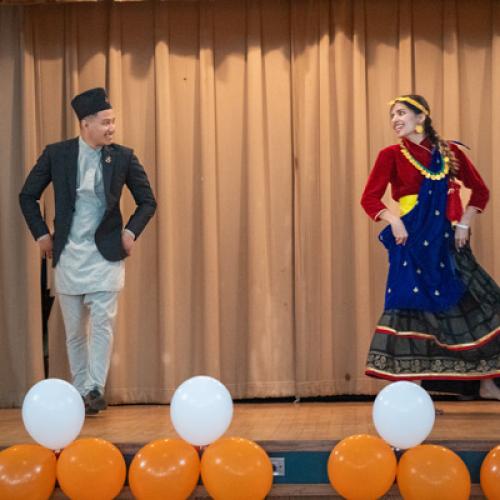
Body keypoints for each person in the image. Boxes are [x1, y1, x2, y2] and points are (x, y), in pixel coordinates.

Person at [20, 88, 157, 414]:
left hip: (106, 255)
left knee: (102, 324)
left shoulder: (122, 156)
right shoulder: (57, 154)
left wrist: (130, 231)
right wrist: (41, 234)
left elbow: (147, 201)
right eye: (105, 122)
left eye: (113, 122)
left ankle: (94, 388)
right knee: (74, 331)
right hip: (68, 254)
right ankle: (82, 392)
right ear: (85, 124)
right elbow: (27, 195)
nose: (112, 128)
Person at [360, 94, 500, 400]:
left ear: (420, 117)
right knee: (412, 310)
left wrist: (464, 223)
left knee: (476, 305)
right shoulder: (390, 155)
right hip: (410, 241)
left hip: (446, 240)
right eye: (392, 115)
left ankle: (487, 383)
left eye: (401, 113)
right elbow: (369, 198)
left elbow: (481, 192)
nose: (395, 119)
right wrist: (393, 220)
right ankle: (413, 396)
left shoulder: (447, 153)